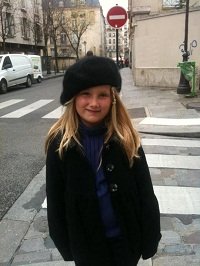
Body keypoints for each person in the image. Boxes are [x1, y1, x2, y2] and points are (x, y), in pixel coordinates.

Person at [45, 56, 161, 266]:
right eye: (85, 94)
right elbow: (55, 201)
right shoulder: (59, 144)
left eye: (102, 95)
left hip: (127, 241)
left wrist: (150, 239)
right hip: (86, 246)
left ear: (113, 98)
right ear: (73, 98)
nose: (94, 103)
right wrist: (65, 245)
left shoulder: (126, 138)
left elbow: (145, 192)